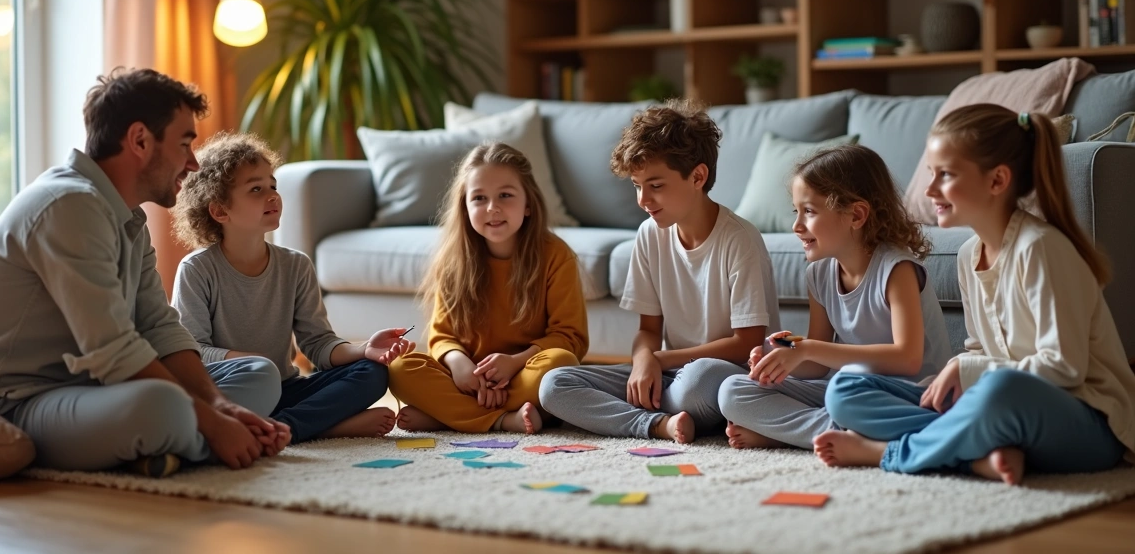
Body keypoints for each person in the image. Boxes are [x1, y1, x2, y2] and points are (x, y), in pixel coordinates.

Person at [0, 68, 288, 477]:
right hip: (12, 400)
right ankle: (190, 442)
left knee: (258, 374)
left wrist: (220, 405)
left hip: (88, 386)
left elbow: (158, 326)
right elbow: (114, 349)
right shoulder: (68, 205)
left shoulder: (127, 219)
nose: (193, 163)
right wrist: (213, 423)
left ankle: (165, 447)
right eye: (184, 144)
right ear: (139, 140)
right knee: (164, 405)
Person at [815, 105, 1135, 485]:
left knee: (998, 389)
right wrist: (957, 374)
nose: (930, 189)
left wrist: (967, 370)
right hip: (1002, 408)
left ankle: (889, 452)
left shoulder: (1041, 248)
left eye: (946, 175)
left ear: (997, 180)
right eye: (931, 173)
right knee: (845, 389)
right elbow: (981, 350)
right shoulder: (969, 255)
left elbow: (1064, 368)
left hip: (1090, 423)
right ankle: (975, 453)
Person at [539, 99, 780, 444]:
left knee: (698, 381)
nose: (642, 200)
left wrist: (659, 359)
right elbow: (648, 330)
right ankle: (657, 424)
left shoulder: (739, 240)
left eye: (655, 186)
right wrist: (642, 362)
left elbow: (747, 344)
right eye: (637, 186)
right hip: (670, 375)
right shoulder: (649, 234)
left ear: (697, 176)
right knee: (554, 384)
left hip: (723, 377)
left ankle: (642, 412)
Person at [171, 133, 413, 445]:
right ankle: (320, 426)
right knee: (240, 385)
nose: (272, 196)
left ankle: (285, 427)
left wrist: (364, 348)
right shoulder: (197, 269)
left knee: (372, 373)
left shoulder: (296, 265)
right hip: (234, 391)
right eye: (256, 189)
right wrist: (252, 364)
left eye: (273, 186)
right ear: (219, 211)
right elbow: (194, 353)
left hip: (286, 389)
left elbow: (319, 345)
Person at [720, 144, 952, 450]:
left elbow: (908, 359)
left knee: (844, 390)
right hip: (849, 388)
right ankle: (837, 432)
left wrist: (808, 349)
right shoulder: (819, 274)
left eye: (809, 211)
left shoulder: (897, 269)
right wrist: (782, 351)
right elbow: (816, 365)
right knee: (732, 390)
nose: (796, 226)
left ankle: (792, 432)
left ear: (856, 215)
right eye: (796, 211)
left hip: (910, 394)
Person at [389, 142, 588, 434]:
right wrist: (459, 365)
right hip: (468, 379)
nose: (492, 208)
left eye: (505, 195)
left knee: (560, 364)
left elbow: (570, 338)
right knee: (400, 368)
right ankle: (504, 419)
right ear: (465, 208)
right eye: (479, 198)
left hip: (524, 371)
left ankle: (448, 417)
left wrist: (514, 363)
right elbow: (442, 335)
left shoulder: (556, 256)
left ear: (528, 204)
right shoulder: (453, 260)